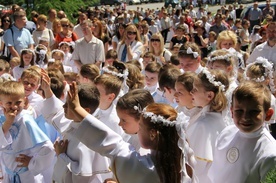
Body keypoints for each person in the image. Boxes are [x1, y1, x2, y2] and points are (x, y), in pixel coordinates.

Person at [65, 82, 196, 183]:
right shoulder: (182, 161)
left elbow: (112, 145)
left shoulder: (146, 168)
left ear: (153, 134)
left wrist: (77, 109)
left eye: (141, 126)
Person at [40, 73, 112, 183]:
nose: (63, 106)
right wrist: (47, 90)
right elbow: (56, 111)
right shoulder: (73, 123)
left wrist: (61, 155)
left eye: (69, 105)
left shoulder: (88, 142)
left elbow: (80, 177)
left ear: (85, 110)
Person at [208, 81, 276, 182]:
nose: (245, 117)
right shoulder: (226, 134)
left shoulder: (271, 154)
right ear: (232, 112)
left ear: (268, 114)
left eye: (254, 111)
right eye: (239, 111)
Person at [0, 81, 55, 183]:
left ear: (24, 101)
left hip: (26, 176)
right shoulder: (1, 118)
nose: (15, 107)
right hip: (7, 173)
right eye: (9, 103)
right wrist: (8, 122)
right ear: (1, 103)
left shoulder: (26, 120)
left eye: (18, 102)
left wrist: (32, 163)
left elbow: (48, 148)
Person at [188, 68, 228, 183]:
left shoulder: (203, 125)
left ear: (209, 95)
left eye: (195, 89)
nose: (191, 92)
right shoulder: (218, 118)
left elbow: (196, 166)